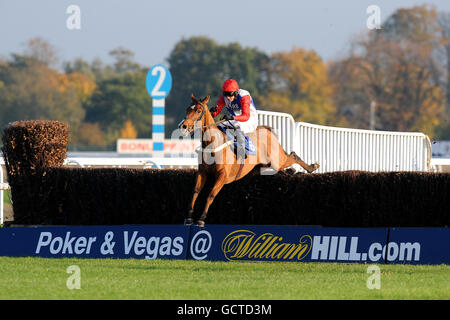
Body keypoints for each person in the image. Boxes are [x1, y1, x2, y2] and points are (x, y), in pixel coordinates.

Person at [209, 79, 258, 160]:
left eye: (230, 95)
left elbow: (246, 116)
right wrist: (212, 112)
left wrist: (232, 117)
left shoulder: (244, 96)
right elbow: (215, 113)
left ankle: (247, 149)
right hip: (235, 120)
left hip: (250, 120)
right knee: (219, 127)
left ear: (236, 92)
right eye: (225, 95)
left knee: (236, 127)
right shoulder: (224, 98)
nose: (227, 98)